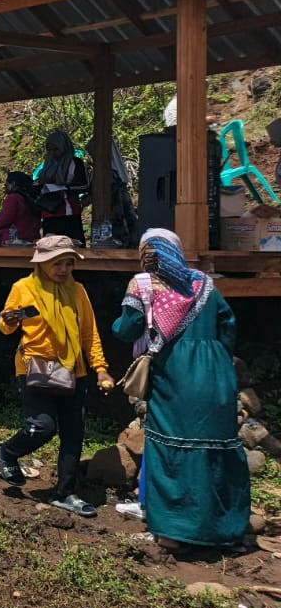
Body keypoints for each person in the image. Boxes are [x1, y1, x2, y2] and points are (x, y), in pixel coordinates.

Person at [112, 228, 250, 549]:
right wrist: (218, 359)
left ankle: (173, 533)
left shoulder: (144, 285)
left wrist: (117, 324)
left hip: (174, 373)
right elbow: (228, 325)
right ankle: (223, 530)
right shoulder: (205, 284)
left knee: (170, 448)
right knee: (215, 447)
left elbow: (127, 328)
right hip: (216, 371)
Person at [0, 237, 115, 517]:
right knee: (42, 426)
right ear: (43, 263)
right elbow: (5, 326)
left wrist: (100, 368)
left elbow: (89, 334)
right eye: (56, 263)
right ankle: (9, 452)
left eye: (68, 263)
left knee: (74, 433)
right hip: (35, 367)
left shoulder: (78, 291)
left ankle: (65, 493)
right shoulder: (23, 288)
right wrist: (8, 320)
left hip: (73, 371)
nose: (63, 269)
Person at [36, 129, 90, 242]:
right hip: (49, 214)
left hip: (68, 213)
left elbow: (84, 185)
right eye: (49, 150)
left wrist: (64, 188)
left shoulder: (75, 163)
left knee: (72, 246)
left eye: (56, 149)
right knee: (50, 247)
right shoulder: (47, 165)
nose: (52, 153)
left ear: (64, 147)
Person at [0, 172, 41, 245]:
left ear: (13, 184)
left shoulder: (13, 198)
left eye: (6, 183)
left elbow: (4, 220)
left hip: (14, 241)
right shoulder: (31, 199)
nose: (4, 186)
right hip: (32, 240)